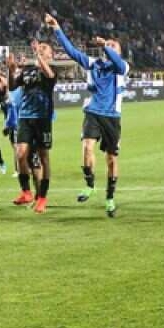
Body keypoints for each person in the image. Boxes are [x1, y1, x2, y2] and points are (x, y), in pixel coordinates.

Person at [48, 14, 129, 219]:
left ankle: (110, 198)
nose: (108, 46)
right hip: (92, 112)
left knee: (111, 159)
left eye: (113, 46)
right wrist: (57, 28)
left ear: (118, 52)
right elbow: (72, 52)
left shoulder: (122, 67)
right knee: (87, 147)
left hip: (112, 117)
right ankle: (89, 184)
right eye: (107, 44)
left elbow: (118, 63)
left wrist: (106, 46)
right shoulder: (93, 64)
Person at [8, 36, 58, 214]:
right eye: (40, 48)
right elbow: (13, 87)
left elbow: (49, 75)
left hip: (42, 118)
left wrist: (39, 56)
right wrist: (11, 70)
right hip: (25, 118)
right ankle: (26, 192)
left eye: (45, 49)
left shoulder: (51, 70)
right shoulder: (28, 70)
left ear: (50, 55)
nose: (42, 49)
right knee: (20, 154)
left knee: (44, 157)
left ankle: (42, 198)